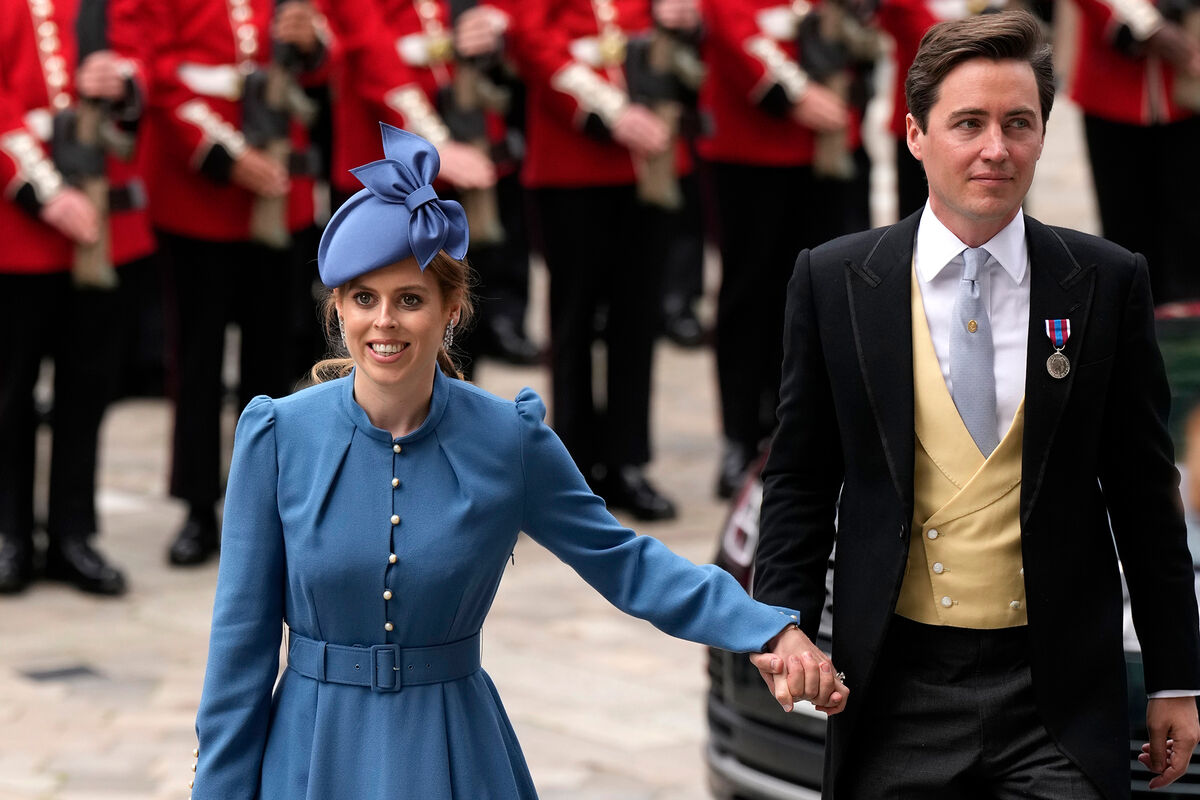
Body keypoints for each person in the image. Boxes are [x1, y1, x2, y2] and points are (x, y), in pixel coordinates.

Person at [185, 123, 845, 799]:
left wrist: (767, 628)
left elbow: (627, 563)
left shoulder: (508, 438)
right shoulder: (277, 435)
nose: (383, 322)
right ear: (338, 309)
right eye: (363, 299)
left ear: (451, 309)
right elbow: (240, 648)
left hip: (453, 754)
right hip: (309, 756)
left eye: (410, 299)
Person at [750, 11, 1200, 798]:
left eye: (1018, 123)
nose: (997, 148)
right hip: (892, 691)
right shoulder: (834, 281)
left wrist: (1174, 678)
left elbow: (1144, 494)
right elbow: (800, 479)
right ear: (915, 134)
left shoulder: (1106, 281)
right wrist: (780, 623)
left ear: (1042, 136)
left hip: (1058, 698)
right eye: (969, 124)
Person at [131, 0, 326, 567]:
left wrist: (311, 46)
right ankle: (198, 505)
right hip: (197, 195)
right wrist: (226, 154)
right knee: (197, 359)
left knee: (272, 355)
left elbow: (321, 67)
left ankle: (267, 503)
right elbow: (158, 74)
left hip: (278, 186)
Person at [0, 0, 155, 595]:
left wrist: (125, 83)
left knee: (86, 390)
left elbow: (144, 53)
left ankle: (73, 535)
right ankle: (8, 534)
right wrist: (45, 191)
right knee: (9, 391)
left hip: (104, 226)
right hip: (17, 230)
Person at [1070, 0, 1200, 304]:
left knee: (1190, 221)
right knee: (1126, 222)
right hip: (1114, 81)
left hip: (1187, 80)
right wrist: (1145, 25)